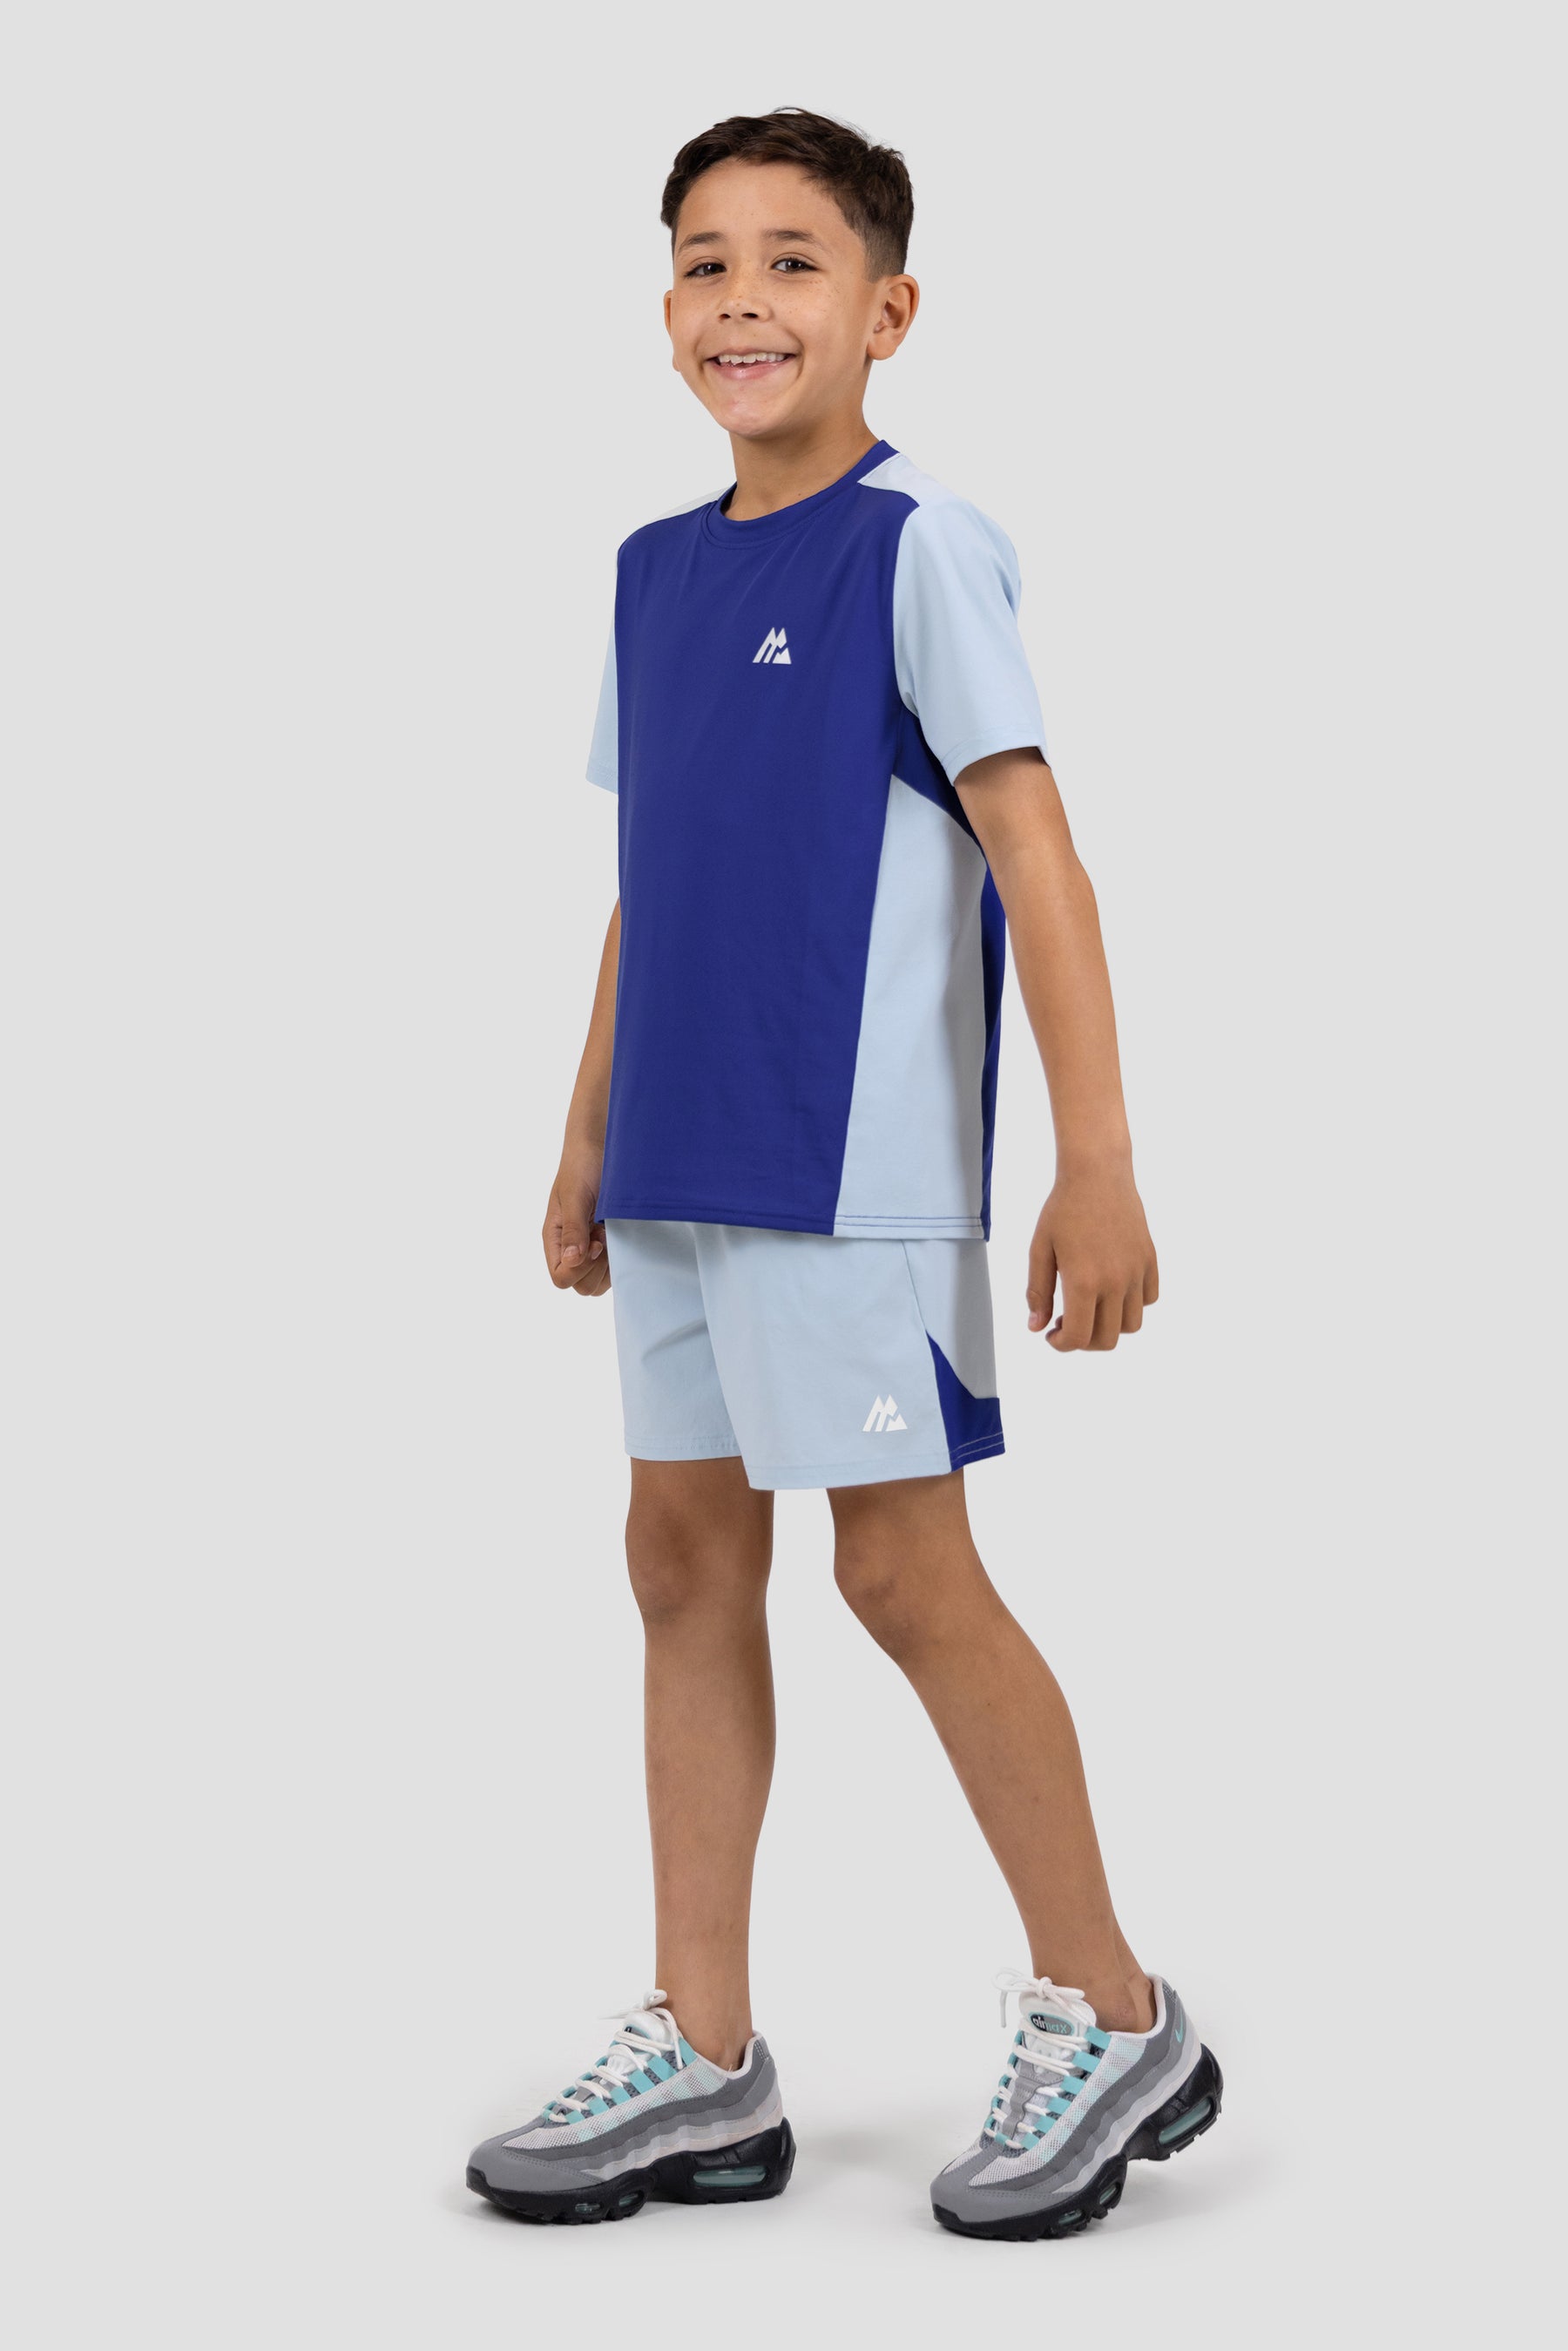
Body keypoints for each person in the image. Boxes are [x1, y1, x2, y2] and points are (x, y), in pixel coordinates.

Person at [466, 107, 1221, 2241]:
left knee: (902, 1573)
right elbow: (654, 874)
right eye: (705, 261)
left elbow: (1038, 853)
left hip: (851, 1163)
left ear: (887, 311)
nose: (743, 299)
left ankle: (1116, 2010)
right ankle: (704, 2055)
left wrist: (1098, 1156)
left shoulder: (920, 546)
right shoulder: (651, 569)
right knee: (681, 1564)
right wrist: (587, 1125)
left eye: (792, 262)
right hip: (682, 1161)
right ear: (665, 311)